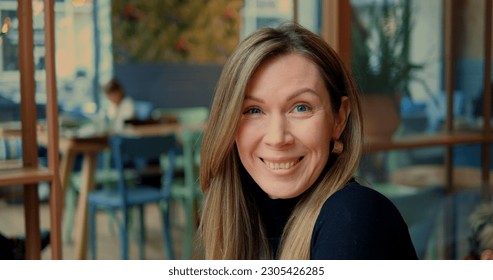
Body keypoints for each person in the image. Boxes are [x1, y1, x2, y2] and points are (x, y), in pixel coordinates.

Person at [199, 23, 417, 260]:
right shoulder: (239, 220)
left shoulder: (353, 216)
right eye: (253, 110)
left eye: (301, 107)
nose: (277, 138)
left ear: (339, 119)